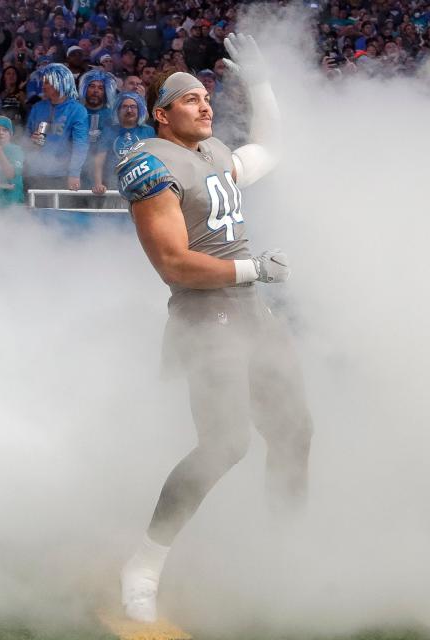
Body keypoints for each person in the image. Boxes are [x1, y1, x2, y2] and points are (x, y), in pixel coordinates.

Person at [116, 35, 313, 623]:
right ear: (162, 112)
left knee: (296, 431)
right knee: (226, 444)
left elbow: (272, 147)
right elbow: (174, 264)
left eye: (206, 95)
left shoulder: (212, 152)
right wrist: (256, 268)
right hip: (207, 317)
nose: (205, 105)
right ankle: (143, 566)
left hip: (253, 311)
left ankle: (287, 552)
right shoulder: (149, 161)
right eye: (190, 98)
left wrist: (258, 80)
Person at [23, 63, 89, 191]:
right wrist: (32, 141)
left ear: (59, 82)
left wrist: (74, 174)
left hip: (61, 175)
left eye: (47, 82)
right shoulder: (38, 107)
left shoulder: (77, 110)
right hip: (34, 173)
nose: (43, 86)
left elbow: (80, 145)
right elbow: (26, 137)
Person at [92, 91, 153, 194]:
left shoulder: (148, 131)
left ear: (140, 110)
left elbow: (154, 159)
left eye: (133, 107)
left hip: (141, 185)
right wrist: (98, 183)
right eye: (125, 107)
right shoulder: (109, 131)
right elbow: (99, 160)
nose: (129, 110)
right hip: (113, 185)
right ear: (118, 110)